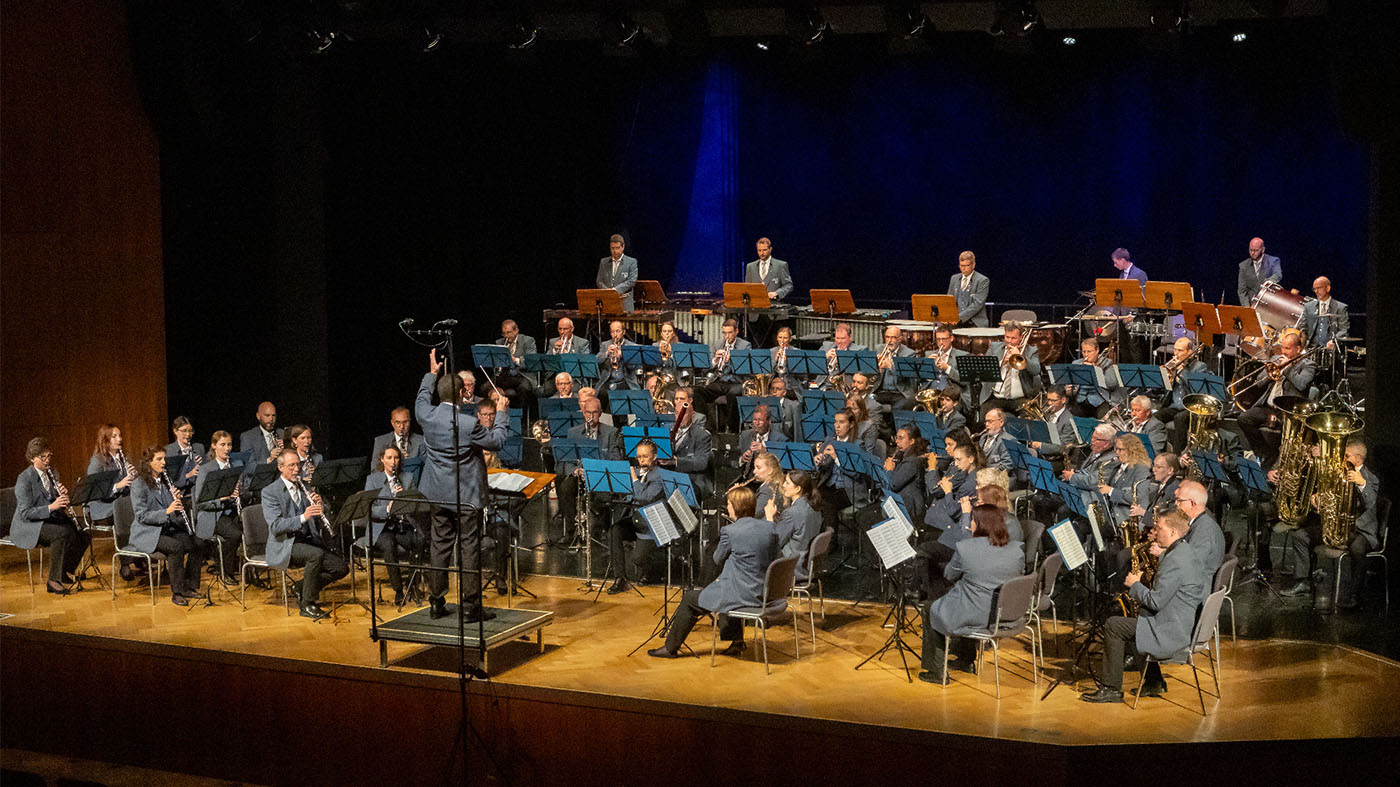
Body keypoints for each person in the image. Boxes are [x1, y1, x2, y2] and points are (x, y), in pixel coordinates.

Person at [414, 349, 510, 622]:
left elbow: (422, 397)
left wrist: (431, 374)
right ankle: (470, 607)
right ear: (462, 395)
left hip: (437, 493)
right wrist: (501, 413)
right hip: (465, 495)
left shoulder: (426, 415)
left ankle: (436, 601)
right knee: (469, 548)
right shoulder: (468, 424)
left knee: (440, 545)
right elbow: (497, 442)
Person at [1082, 509, 1206, 703]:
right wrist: (1162, 554)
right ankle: (1153, 681)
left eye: (1159, 528)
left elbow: (1156, 601)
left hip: (1170, 631)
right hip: (1180, 622)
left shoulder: (1175, 561)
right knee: (1135, 619)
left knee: (1114, 625)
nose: (1154, 533)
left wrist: (1135, 584)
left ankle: (1111, 688)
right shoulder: (1184, 550)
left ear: (1173, 532)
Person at [647, 487, 778, 659]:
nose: (727, 507)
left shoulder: (730, 531)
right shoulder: (769, 528)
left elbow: (717, 558)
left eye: (729, 504)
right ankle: (737, 642)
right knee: (726, 586)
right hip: (763, 591)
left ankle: (670, 648)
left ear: (736, 507)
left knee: (689, 599)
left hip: (743, 593)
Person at [918, 503, 1024, 684]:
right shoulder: (1017, 550)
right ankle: (965, 660)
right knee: (964, 602)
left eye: (973, 520)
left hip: (977, 615)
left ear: (980, 524)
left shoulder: (965, 548)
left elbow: (949, 575)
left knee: (931, 608)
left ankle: (937, 671)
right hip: (1006, 615)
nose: (971, 524)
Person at [1280, 440, 1379, 609]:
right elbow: (1329, 494)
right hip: (1336, 527)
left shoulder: (1370, 478)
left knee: (1357, 549)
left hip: (1359, 530)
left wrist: (1361, 483)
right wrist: (1318, 498)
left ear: (1358, 458)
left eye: (1347, 456)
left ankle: (1354, 595)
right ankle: (1303, 582)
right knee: (1300, 536)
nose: (1343, 458)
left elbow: (1370, 503)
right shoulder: (1338, 472)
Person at [262, 448, 349, 619]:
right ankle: (307, 605)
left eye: (298, 465)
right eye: (292, 466)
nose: (297, 469)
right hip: (286, 544)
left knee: (341, 568)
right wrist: (303, 516)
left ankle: (301, 587)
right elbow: (275, 526)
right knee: (315, 555)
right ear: (281, 467)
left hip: (308, 540)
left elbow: (315, 520)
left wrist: (320, 508)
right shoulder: (270, 492)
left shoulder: (305, 487)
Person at [10, 438, 92, 594]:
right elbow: (26, 512)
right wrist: (52, 506)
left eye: (49, 456)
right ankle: (53, 581)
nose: (47, 460)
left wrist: (61, 497)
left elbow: (52, 501)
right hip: (27, 525)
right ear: (32, 458)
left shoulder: (52, 473)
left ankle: (64, 570)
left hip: (47, 519)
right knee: (61, 533)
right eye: (43, 457)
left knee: (83, 533)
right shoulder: (24, 479)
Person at [129, 444, 206, 606]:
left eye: (164, 458)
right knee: (176, 547)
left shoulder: (165, 481)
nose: (164, 462)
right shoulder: (138, 484)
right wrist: (167, 511)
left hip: (166, 528)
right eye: (159, 459)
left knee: (197, 542)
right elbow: (141, 516)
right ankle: (177, 592)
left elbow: (171, 509)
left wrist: (176, 500)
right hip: (147, 532)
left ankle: (190, 586)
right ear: (148, 462)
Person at [1238, 330, 1317, 468]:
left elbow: (1302, 385)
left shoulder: (1308, 365)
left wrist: (1287, 369)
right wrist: (1272, 374)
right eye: (1282, 347)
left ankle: (1276, 461)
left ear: (1298, 349)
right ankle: (1265, 453)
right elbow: (1259, 382)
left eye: (1288, 348)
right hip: (1268, 407)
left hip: (1288, 411)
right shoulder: (1276, 359)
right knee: (1244, 418)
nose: (1283, 351)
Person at [363, 444, 428, 606]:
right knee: (389, 545)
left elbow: (416, 503)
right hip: (381, 528)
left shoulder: (407, 478)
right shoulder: (373, 480)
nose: (393, 462)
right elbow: (368, 509)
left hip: (401, 524)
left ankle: (412, 584)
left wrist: (403, 500)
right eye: (389, 458)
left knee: (419, 540)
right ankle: (398, 590)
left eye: (396, 458)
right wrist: (388, 508)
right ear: (382, 459)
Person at [608, 439, 666, 594]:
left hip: (651, 524)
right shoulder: (639, 472)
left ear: (654, 457)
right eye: (639, 457)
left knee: (637, 559)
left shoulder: (660, 476)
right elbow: (629, 497)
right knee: (615, 530)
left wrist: (633, 480)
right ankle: (620, 578)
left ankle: (652, 568)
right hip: (636, 519)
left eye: (645, 457)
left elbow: (644, 497)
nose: (641, 460)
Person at [192, 430, 245, 585]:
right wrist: (222, 499)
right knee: (234, 534)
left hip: (232, 511)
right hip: (213, 514)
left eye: (229, 444)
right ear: (214, 446)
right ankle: (225, 570)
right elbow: (200, 503)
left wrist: (240, 493)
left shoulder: (237, 465)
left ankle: (250, 570)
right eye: (222, 444)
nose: (227, 448)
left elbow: (246, 491)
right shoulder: (206, 469)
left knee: (252, 529)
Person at [86, 424, 139, 579]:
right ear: (105, 440)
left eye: (120, 436)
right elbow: (94, 490)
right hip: (102, 507)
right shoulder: (97, 461)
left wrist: (134, 477)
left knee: (138, 510)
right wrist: (118, 485)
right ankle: (125, 563)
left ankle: (139, 556)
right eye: (114, 436)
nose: (119, 439)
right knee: (123, 514)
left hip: (119, 503)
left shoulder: (123, 458)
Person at [1155, 337, 1209, 453]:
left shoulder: (1200, 367)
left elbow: (1196, 390)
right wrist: (1164, 378)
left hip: (1190, 407)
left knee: (1179, 418)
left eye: (1180, 350)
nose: (1175, 354)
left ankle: (1177, 455)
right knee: (1156, 416)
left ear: (1189, 352)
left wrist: (1180, 373)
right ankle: (1157, 450)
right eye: (1175, 350)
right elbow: (1163, 389)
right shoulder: (1172, 365)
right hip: (1174, 406)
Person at [697, 318, 751, 432]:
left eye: (730, 333)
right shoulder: (717, 344)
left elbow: (746, 369)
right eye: (724, 333)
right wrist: (716, 360)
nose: (727, 336)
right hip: (719, 380)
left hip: (736, 381)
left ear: (736, 332)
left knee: (733, 394)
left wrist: (732, 360)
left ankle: (732, 430)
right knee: (698, 391)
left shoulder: (745, 345)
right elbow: (706, 368)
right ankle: (706, 426)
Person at [980, 321, 1041, 417]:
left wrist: (1021, 356)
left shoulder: (1031, 350)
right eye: (1007, 337)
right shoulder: (994, 347)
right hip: (996, 398)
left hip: (1020, 398)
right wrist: (1001, 362)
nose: (1009, 341)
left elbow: (1036, 370)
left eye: (1013, 338)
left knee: (1031, 417)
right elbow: (984, 370)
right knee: (985, 415)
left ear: (1021, 337)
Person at [769, 470, 821, 578]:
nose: (783, 485)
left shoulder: (791, 513)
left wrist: (769, 518)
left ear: (798, 488)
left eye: (787, 483)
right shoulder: (814, 507)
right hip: (804, 565)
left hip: (791, 567)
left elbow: (774, 543)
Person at [1175, 480, 1225, 587]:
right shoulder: (1201, 522)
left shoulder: (1204, 529)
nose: (1176, 504)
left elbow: (1192, 566)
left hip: (1196, 591)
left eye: (1180, 501)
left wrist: (1163, 553)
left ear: (1192, 503)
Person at [670, 396, 714, 503]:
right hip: (670, 475)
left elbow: (701, 463)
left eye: (683, 414)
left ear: (692, 415)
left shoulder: (702, 435)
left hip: (692, 479)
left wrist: (676, 461)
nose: (679, 417)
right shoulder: (667, 431)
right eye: (676, 413)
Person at [885, 425, 929, 525]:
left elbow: (894, 484)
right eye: (897, 438)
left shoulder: (912, 461)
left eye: (901, 438)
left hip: (910, 507)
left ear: (912, 441)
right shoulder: (905, 455)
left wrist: (889, 470)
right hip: (903, 501)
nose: (897, 441)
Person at [1068, 337, 1118, 418]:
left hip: (1100, 400)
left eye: (1089, 351)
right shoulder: (1076, 363)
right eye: (1084, 351)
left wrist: (1096, 371)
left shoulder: (1107, 363)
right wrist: (1069, 390)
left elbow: (1111, 384)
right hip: (1080, 400)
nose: (1086, 355)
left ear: (1097, 350)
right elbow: (1069, 385)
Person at [873, 325, 916, 413]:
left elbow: (906, 376)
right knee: (868, 404)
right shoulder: (879, 349)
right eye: (887, 337)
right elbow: (870, 374)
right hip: (880, 391)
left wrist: (891, 367)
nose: (889, 341)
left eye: (893, 338)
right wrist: (876, 366)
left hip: (899, 392)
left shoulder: (908, 354)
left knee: (899, 407)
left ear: (900, 339)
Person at [596, 320, 640, 402]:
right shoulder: (605, 344)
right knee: (601, 395)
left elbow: (633, 367)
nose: (615, 334)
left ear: (623, 332)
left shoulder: (632, 346)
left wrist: (623, 355)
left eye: (618, 331)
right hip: (608, 381)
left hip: (626, 381)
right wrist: (606, 353)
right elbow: (597, 361)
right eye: (613, 332)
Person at [1029, 386, 1077, 461]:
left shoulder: (1070, 420)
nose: (1049, 403)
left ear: (1063, 400)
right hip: (1038, 453)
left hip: (1055, 459)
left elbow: (1064, 447)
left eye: (1053, 401)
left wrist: (1041, 445)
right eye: (1048, 400)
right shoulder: (1045, 412)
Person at [596, 233, 638, 312]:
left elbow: (631, 281)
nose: (615, 251)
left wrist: (615, 291)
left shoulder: (632, 262)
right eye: (612, 248)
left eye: (617, 248)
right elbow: (599, 281)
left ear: (623, 247)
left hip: (625, 305)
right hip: (608, 303)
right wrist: (608, 292)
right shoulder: (603, 262)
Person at [948, 250, 990, 327]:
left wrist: (959, 317)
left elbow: (977, 304)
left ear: (973, 265)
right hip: (956, 322)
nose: (964, 269)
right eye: (961, 266)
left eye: (967, 266)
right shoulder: (954, 278)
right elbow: (949, 300)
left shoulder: (983, 280)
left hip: (974, 323)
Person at [1237, 236, 1282, 306]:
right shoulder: (1243, 266)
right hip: (1251, 305)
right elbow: (1242, 292)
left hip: (1268, 304)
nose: (1252, 253)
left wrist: (1267, 282)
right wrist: (1248, 309)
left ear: (1263, 249)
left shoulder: (1273, 261)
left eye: (1255, 250)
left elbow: (1278, 275)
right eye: (1250, 250)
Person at [165, 416, 205, 493]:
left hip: (197, 492)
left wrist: (202, 465)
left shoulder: (199, 448)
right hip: (180, 494)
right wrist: (189, 475)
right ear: (175, 431)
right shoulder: (168, 451)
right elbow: (170, 480)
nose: (188, 434)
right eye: (184, 431)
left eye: (190, 431)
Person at [1311, 276, 1350, 348]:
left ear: (1328, 288)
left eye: (1318, 288)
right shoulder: (1310, 306)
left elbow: (1344, 330)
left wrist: (1334, 341)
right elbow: (1305, 328)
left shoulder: (1341, 308)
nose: (1316, 291)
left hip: (1329, 350)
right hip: (1311, 349)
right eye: (1314, 289)